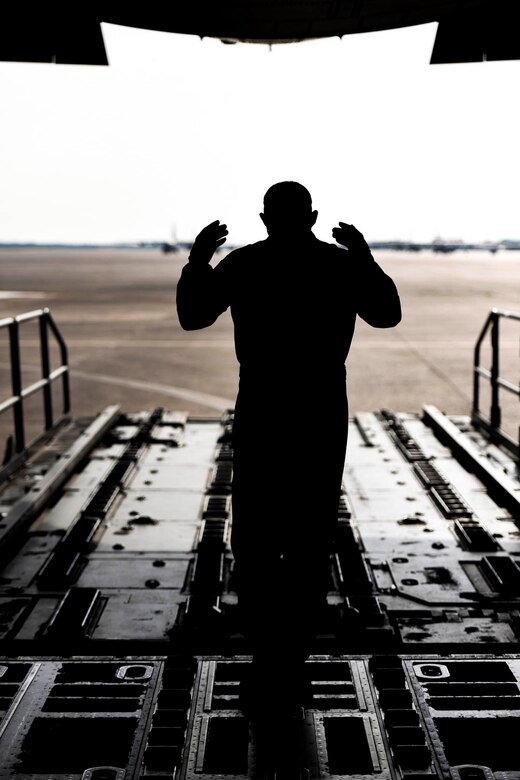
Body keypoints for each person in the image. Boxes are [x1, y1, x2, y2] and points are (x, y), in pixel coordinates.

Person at [176, 181, 401, 717]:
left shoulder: (243, 264)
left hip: (262, 406)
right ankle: (294, 664)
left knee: (255, 534)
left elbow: (193, 316)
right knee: (308, 532)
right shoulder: (340, 265)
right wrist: (365, 258)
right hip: (320, 410)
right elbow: (387, 314)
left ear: (264, 217)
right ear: (314, 216)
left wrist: (196, 261)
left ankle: (263, 660)